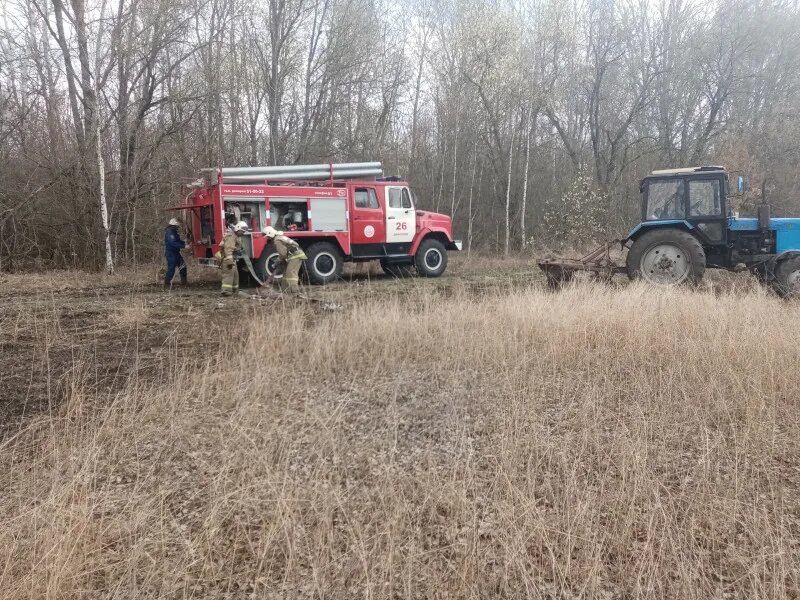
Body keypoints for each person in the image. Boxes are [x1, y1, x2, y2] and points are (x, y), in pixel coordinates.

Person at [262, 226, 307, 294]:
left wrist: (277, 261)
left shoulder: (276, 240)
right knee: (286, 273)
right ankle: (285, 290)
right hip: (294, 255)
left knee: (291, 273)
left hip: (295, 256)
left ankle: (295, 291)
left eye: (267, 236)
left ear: (270, 233)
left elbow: (283, 254)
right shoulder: (280, 237)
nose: (267, 238)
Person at [217, 221, 248, 296]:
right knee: (229, 274)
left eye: (244, 231)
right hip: (227, 259)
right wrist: (230, 262)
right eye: (242, 231)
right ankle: (226, 291)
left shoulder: (237, 236)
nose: (243, 233)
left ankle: (234, 291)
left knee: (235, 275)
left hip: (232, 258)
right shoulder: (231, 236)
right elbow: (228, 250)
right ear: (238, 229)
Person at [164, 218, 188, 288]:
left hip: (176, 253)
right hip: (171, 254)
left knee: (183, 267)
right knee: (171, 269)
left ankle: (184, 283)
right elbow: (173, 242)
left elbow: (177, 241)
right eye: (177, 225)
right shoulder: (170, 232)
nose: (178, 226)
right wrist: (184, 246)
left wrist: (184, 243)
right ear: (174, 225)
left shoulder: (174, 231)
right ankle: (167, 285)